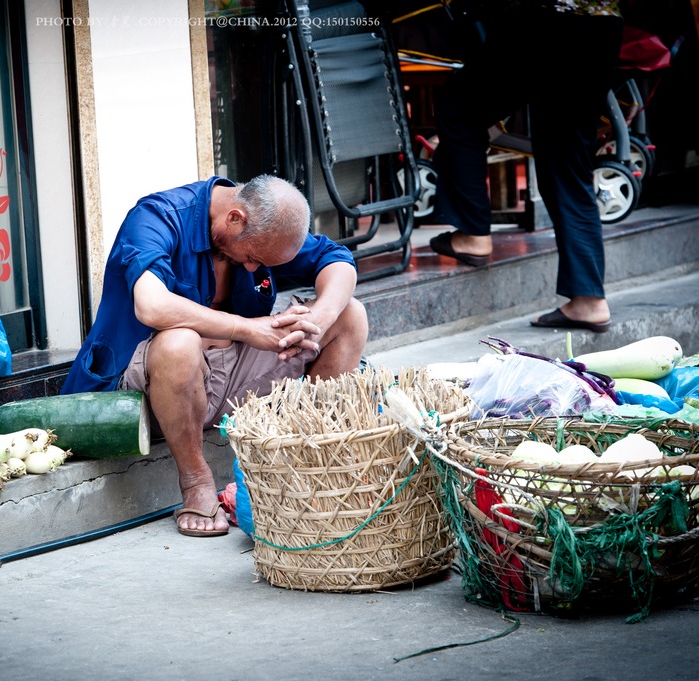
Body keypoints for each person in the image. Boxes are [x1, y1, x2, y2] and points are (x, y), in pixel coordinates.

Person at [61, 175, 368, 537]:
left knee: (350, 315)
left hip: (230, 376)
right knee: (179, 342)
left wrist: (318, 319)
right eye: (253, 257)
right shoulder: (156, 217)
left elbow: (337, 261)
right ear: (233, 218)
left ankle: (307, 465)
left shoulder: (264, 223)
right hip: (147, 390)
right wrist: (248, 328)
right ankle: (196, 482)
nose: (254, 268)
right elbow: (151, 305)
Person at [427, 1, 624, 333]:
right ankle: (589, 299)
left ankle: (474, 232)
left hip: (547, 19)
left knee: (460, 107)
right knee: (568, 161)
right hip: (603, 23)